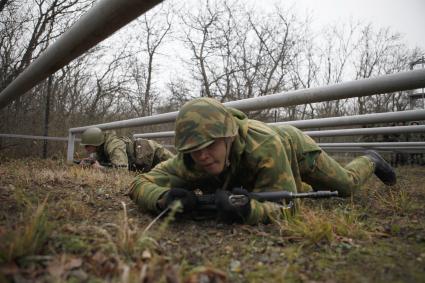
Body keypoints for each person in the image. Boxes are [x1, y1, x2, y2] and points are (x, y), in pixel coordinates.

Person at [129, 98, 396, 225]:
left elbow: (287, 208)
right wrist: (163, 198)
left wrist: (247, 211)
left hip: (293, 147)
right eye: (193, 149)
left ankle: (370, 159)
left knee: (344, 188)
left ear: (229, 137)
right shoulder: (190, 160)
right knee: (289, 189)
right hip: (262, 167)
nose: (201, 156)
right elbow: (140, 183)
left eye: (209, 145)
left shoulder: (264, 147)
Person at [79, 127, 174, 171]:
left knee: (182, 167)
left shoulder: (114, 146)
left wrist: (100, 168)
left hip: (155, 153)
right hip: (146, 162)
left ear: (96, 143)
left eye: (87, 145)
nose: (85, 148)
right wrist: (89, 163)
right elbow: (105, 164)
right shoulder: (100, 149)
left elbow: (121, 170)